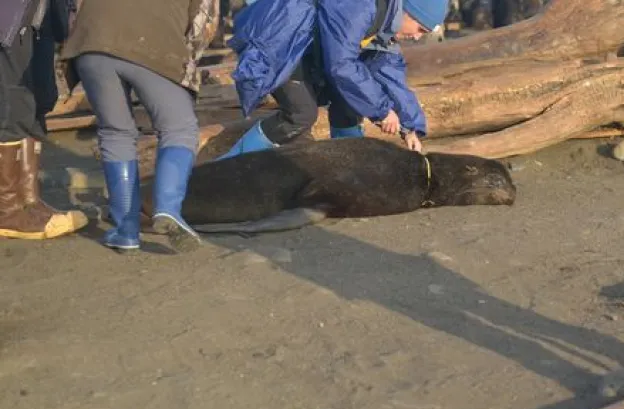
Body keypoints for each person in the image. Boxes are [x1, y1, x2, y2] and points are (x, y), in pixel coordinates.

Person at [57, 0, 219, 252]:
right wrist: (186, 68)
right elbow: (202, 25)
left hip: (92, 43)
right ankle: (167, 208)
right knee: (179, 127)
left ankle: (126, 231)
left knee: (115, 132)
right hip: (152, 45)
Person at [217, 0, 448, 160]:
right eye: (420, 28)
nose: (417, 37)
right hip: (281, 43)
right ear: (407, 10)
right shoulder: (361, 7)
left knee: (348, 104)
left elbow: (391, 74)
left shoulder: (388, 23)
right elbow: (342, 66)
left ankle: (350, 169)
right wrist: (382, 111)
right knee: (300, 115)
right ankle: (226, 167)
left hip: (313, 52)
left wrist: (411, 127)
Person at [0, 0, 88, 241]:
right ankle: (6, 210)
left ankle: (28, 199)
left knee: (40, 97)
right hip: (11, 17)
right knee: (12, 104)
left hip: (38, 19)